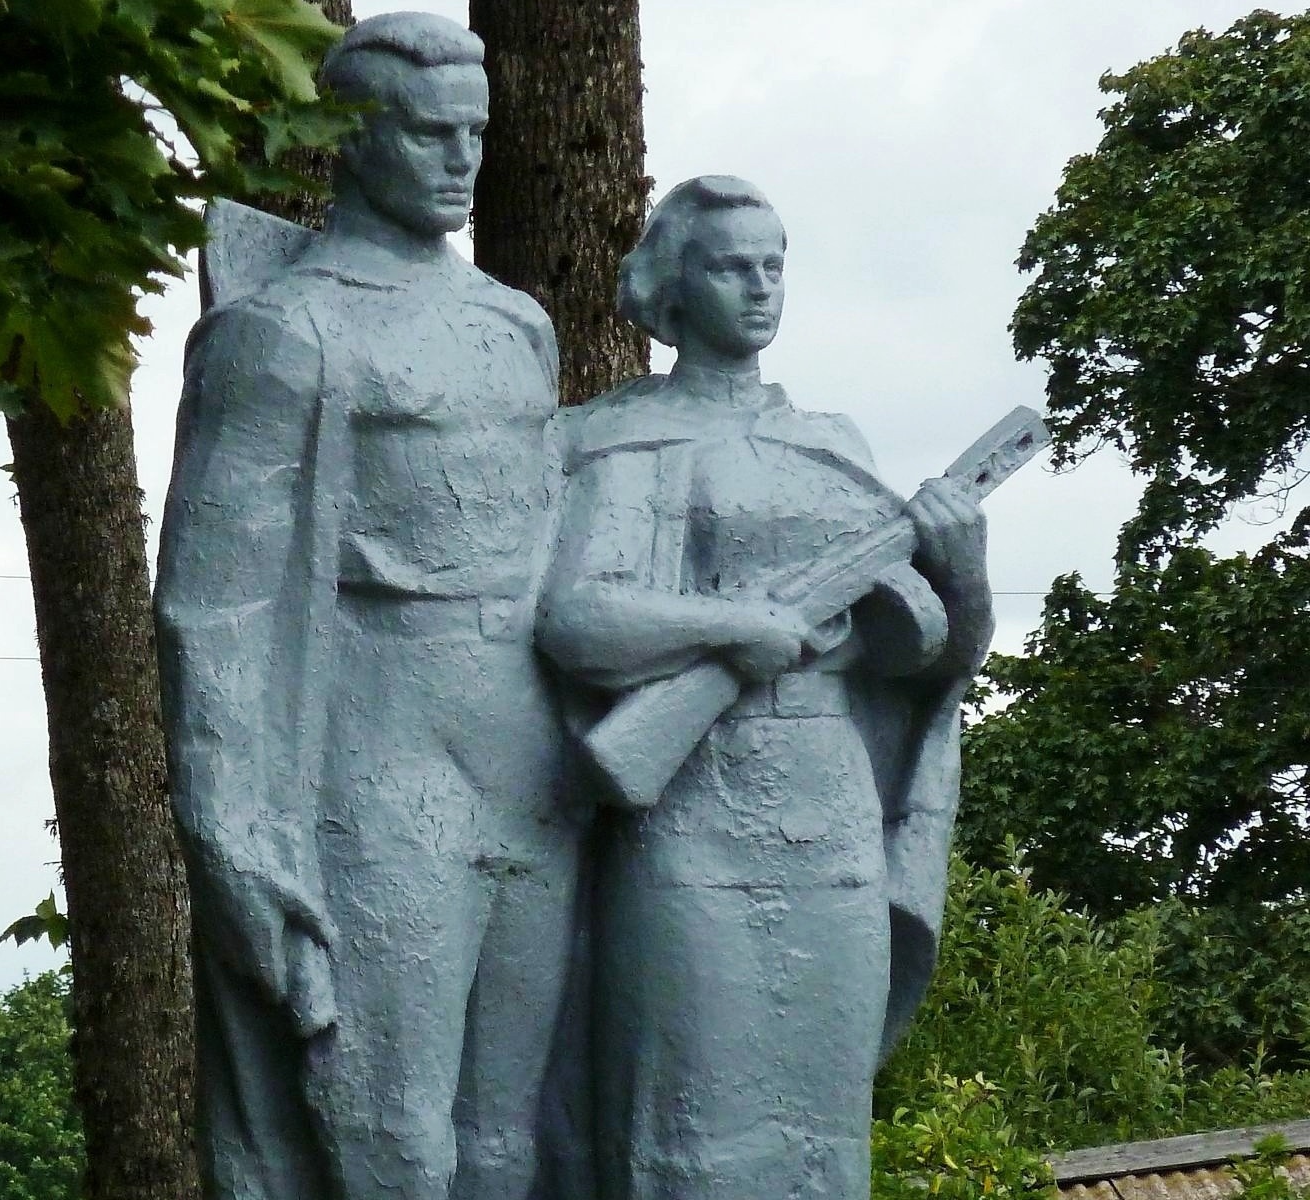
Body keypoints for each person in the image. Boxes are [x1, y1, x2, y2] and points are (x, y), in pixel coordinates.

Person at [154, 13, 583, 1200]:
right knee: (387, 1133)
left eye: (476, 135)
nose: (460, 159)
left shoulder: (518, 326)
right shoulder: (284, 334)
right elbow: (214, 615)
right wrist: (235, 838)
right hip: (376, 766)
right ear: (351, 136)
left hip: (529, 766)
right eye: (428, 133)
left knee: (514, 1134)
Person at [536, 176, 995, 1200]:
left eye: (773, 265)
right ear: (673, 281)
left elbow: (924, 660)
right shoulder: (621, 438)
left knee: (820, 1130)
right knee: (687, 1122)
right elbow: (579, 619)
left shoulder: (833, 445)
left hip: (828, 809)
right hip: (692, 807)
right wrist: (739, 628)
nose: (759, 288)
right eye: (731, 266)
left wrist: (961, 575)